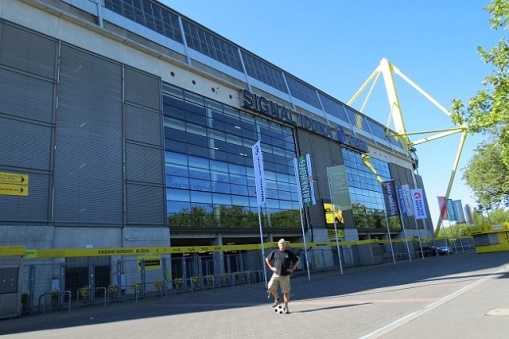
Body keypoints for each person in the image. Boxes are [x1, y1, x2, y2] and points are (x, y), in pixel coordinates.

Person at [265, 238, 299, 314]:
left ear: (285, 245)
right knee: (270, 286)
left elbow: (297, 261)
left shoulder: (289, 253)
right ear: (278, 245)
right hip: (276, 274)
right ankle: (277, 299)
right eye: (281, 244)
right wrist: (271, 267)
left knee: (286, 292)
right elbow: (267, 259)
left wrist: (292, 269)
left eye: (283, 244)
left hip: (285, 276)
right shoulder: (275, 252)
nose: (282, 245)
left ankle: (286, 307)